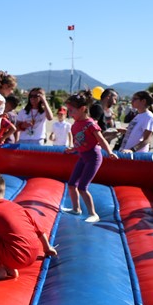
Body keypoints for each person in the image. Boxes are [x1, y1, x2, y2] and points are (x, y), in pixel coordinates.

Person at [62, 90, 118, 223]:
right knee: (71, 184)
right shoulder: (75, 125)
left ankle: (93, 214)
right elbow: (79, 142)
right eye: (68, 110)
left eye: (72, 111)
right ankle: (76, 209)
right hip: (82, 156)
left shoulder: (90, 124)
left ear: (82, 109)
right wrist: (73, 149)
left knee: (82, 187)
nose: (70, 114)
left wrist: (109, 152)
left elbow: (101, 139)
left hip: (93, 157)